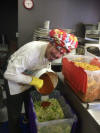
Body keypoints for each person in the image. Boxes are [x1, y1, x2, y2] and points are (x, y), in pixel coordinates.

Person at [4, 29, 78, 133]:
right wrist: (34, 80)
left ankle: (28, 120)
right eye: (57, 49)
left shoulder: (49, 52)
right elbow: (9, 74)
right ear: (50, 43)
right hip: (13, 78)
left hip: (28, 76)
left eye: (62, 53)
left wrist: (45, 73)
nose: (57, 55)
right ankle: (14, 129)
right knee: (15, 113)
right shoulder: (31, 52)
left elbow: (45, 63)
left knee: (27, 101)